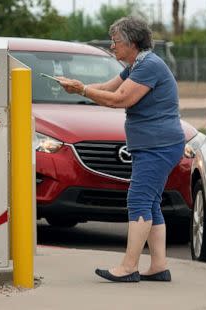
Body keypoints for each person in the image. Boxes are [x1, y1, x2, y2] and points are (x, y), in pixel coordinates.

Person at [57, 16, 185, 283]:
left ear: (132, 42)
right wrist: (78, 87)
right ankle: (159, 266)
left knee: (138, 200)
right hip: (154, 145)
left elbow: (120, 100)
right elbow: (107, 88)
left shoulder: (148, 66)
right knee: (150, 203)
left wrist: (83, 89)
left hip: (157, 146)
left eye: (115, 42)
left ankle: (129, 267)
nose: (112, 47)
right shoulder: (138, 65)